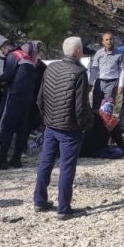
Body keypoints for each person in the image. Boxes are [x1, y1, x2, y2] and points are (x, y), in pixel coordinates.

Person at [33, 36, 93, 219]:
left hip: (51, 125)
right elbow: (81, 107)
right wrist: (85, 125)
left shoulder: (50, 68)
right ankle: (64, 208)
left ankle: (39, 200)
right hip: (69, 129)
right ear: (78, 51)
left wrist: (46, 119)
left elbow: (40, 99)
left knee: (45, 162)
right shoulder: (79, 72)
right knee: (67, 168)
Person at [0, 41, 40, 170]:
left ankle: (1, 160)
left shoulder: (14, 55)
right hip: (28, 98)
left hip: (16, 96)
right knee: (22, 129)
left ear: (8, 47)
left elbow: (8, 76)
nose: (4, 54)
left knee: (8, 128)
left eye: (3, 51)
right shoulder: (27, 58)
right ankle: (16, 159)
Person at [89, 31, 124, 111]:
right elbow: (94, 68)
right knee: (96, 106)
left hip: (112, 83)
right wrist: (91, 83)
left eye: (110, 39)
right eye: (106, 40)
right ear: (103, 42)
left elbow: (123, 69)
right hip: (99, 82)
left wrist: (121, 85)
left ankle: (106, 119)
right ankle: (95, 119)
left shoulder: (119, 54)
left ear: (113, 40)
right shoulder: (99, 53)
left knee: (108, 107)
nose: (109, 41)